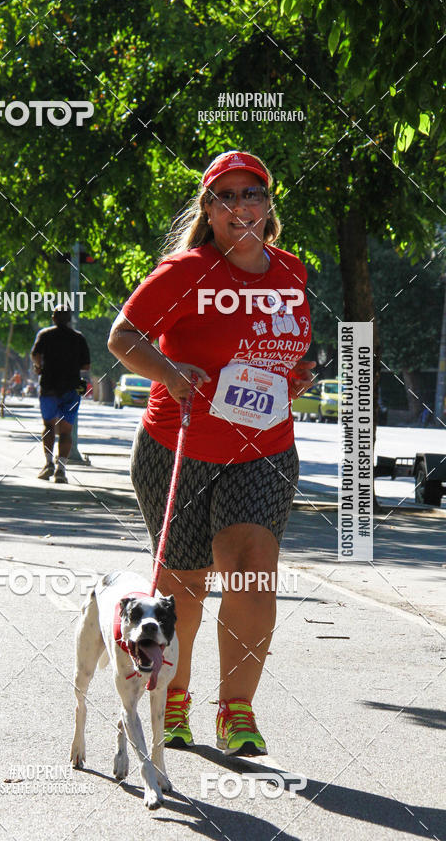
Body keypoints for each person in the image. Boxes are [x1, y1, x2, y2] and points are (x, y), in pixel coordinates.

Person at [108, 150, 315, 757]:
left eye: (252, 193)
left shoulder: (292, 273)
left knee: (252, 573)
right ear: (209, 210)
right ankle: (173, 698)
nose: (241, 207)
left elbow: (285, 350)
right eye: (226, 197)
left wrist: (296, 375)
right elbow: (124, 337)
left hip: (265, 446)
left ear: (269, 204)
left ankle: (238, 712)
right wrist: (171, 373)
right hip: (180, 445)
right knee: (185, 584)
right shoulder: (184, 272)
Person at [31, 307, 90, 483]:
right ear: (70, 319)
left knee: (48, 427)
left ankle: (48, 464)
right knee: (66, 431)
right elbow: (86, 366)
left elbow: (35, 355)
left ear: (53, 318)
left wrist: (39, 367)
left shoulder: (45, 334)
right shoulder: (78, 338)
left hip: (48, 387)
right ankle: (61, 470)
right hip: (72, 390)